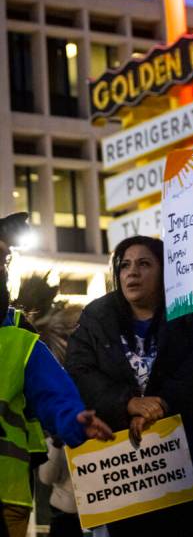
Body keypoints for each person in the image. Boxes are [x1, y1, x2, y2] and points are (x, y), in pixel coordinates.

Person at [65, 235, 193, 537]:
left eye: (144, 264)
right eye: (125, 265)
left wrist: (163, 403)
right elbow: (78, 371)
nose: (132, 272)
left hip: (190, 467)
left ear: (164, 270)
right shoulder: (96, 316)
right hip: (127, 473)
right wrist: (126, 402)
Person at [0, 213, 113, 537]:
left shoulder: (22, 341)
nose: (2, 267)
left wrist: (75, 420)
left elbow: (56, 395)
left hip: (7, 497)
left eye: (4, 260)